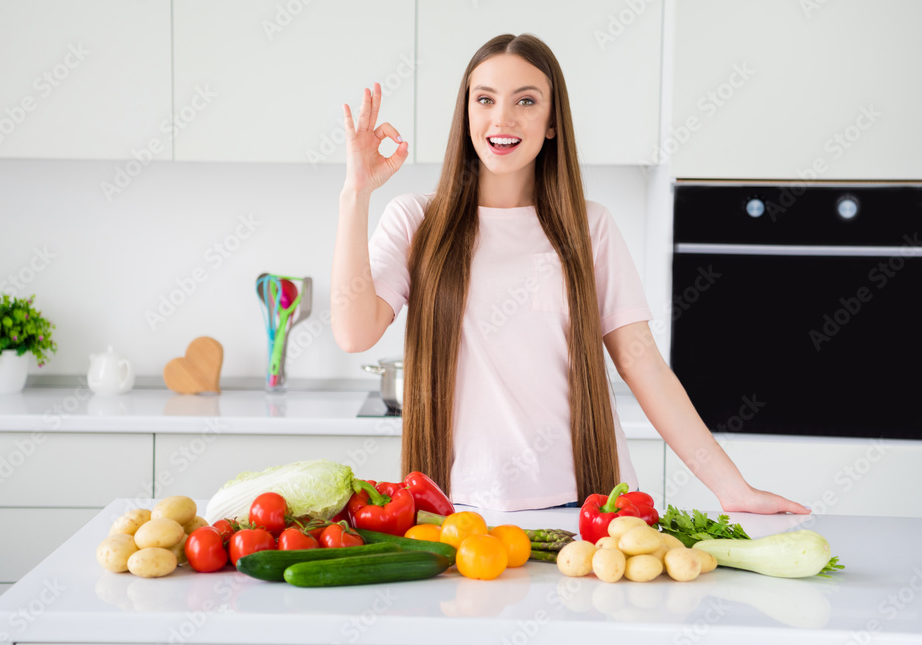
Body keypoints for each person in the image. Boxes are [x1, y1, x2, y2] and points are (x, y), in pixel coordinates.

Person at [331, 33, 809, 515]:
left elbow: (642, 365)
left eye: (526, 100)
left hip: (589, 506)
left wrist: (732, 488)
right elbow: (354, 333)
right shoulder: (416, 220)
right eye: (485, 99)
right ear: (467, 114)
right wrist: (356, 192)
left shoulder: (588, 226)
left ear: (553, 121)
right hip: (459, 508)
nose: (503, 118)